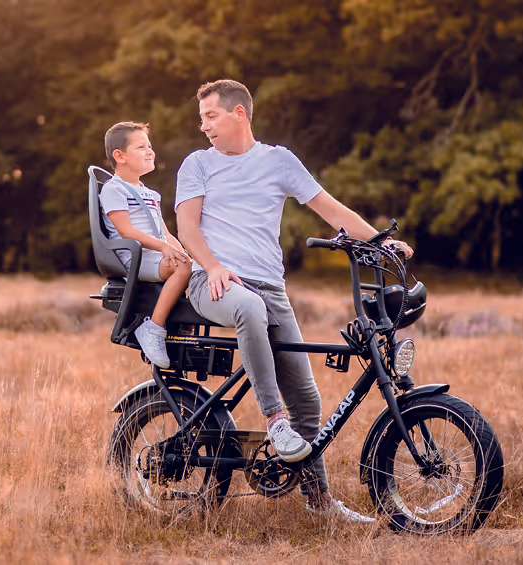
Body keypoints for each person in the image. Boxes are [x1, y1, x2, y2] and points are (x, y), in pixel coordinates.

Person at [174, 80, 414, 522]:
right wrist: (212, 266)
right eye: (202, 117)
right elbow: (187, 229)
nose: (203, 125)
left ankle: (319, 503)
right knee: (249, 309)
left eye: (211, 115)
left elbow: (333, 211)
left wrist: (382, 242)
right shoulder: (197, 165)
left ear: (239, 113)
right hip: (214, 284)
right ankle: (274, 421)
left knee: (309, 402)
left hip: (270, 289)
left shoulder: (278, 160)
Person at [98, 122, 191, 368]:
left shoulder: (149, 193)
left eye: (150, 146)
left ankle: (183, 327)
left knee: (193, 266)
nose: (150, 151)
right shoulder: (113, 189)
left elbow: (164, 232)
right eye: (141, 147)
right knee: (182, 268)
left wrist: (183, 252)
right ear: (120, 156)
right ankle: (154, 327)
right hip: (136, 257)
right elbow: (126, 231)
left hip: (154, 253)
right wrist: (164, 248)